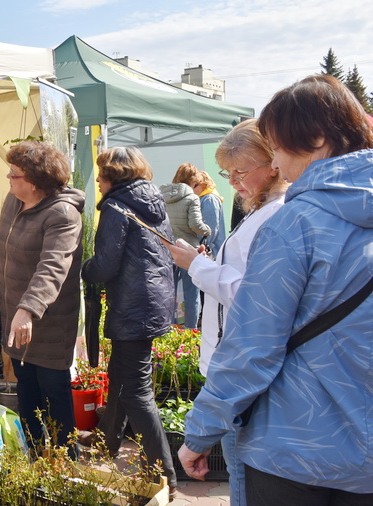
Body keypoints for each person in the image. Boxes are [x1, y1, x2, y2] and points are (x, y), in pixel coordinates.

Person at [179, 75, 373, 504]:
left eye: (280, 148)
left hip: (296, 447)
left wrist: (201, 432)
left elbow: (254, 344)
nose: (279, 164)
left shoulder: (295, 224)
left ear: (318, 137)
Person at [165, 119, 288, 506]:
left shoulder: (276, 215)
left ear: (273, 164)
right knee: (240, 471)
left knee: (242, 474)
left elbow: (254, 297)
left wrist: (196, 266)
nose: (233, 181)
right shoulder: (262, 209)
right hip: (234, 358)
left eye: (240, 171)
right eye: (227, 172)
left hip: (242, 362)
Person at [81, 146, 178, 493]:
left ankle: (164, 473)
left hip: (134, 305)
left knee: (136, 389)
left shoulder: (116, 207)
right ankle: (108, 443)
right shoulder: (151, 200)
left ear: (109, 176)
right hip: (151, 301)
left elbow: (105, 264)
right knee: (120, 376)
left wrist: (84, 269)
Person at [0, 140, 83, 451]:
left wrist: (28, 310)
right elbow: (2, 242)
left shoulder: (63, 215)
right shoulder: (14, 201)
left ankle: (68, 462)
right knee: (27, 390)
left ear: (36, 181)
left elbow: (52, 267)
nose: (9, 179)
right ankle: (36, 459)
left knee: (54, 394)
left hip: (48, 322)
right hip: (18, 317)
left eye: (15, 174)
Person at [160, 164, 210, 329]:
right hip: (189, 250)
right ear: (193, 180)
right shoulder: (192, 198)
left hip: (167, 250)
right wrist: (207, 230)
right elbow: (195, 225)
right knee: (191, 293)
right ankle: (190, 330)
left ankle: (168, 329)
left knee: (169, 292)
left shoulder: (162, 195)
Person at [190, 170, 226, 259]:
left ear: (203, 184)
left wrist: (199, 249)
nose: (192, 190)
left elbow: (209, 231)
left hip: (209, 254)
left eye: (195, 186)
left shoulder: (209, 199)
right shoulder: (204, 198)